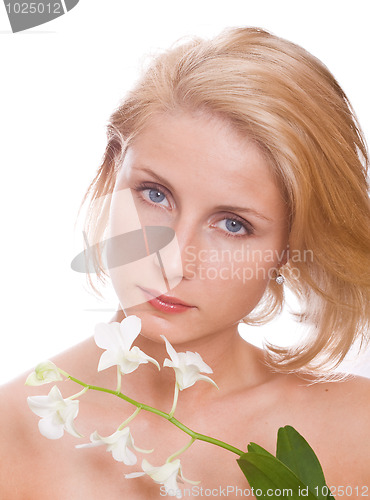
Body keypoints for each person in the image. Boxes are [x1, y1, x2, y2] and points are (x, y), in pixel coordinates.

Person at [1, 26, 369, 499]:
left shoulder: (357, 433)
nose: (171, 262)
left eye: (233, 224)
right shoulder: (12, 432)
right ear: (112, 172)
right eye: (154, 194)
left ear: (289, 249)